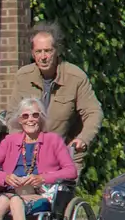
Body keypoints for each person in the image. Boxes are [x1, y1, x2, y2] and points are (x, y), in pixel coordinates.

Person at [13, 22, 102, 156]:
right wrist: (18, 145)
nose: (43, 57)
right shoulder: (23, 77)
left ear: (57, 51)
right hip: (29, 154)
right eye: (38, 51)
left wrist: (83, 139)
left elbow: (93, 112)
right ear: (33, 53)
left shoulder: (75, 77)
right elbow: (12, 116)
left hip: (64, 153)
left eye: (48, 51)